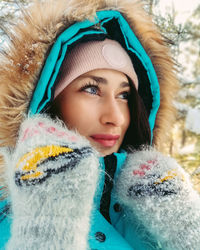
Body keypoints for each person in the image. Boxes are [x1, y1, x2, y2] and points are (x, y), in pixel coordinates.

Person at [0, 0, 200, 249]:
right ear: (48, 100)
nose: (115, 117)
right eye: (92, 89)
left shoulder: (154, 202)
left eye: (124, 95)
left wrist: (188, 228)